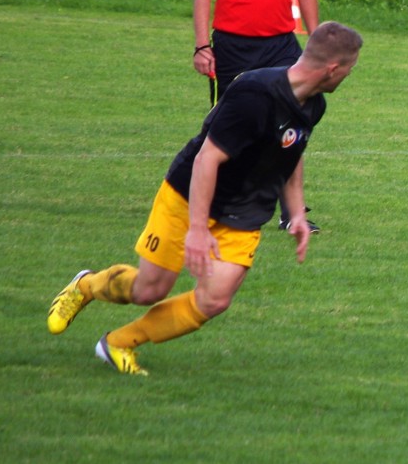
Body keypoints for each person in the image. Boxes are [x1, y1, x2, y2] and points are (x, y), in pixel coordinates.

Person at [46, 23, 363, 376]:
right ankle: (87, 285)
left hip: (244, 212)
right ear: (333, 68)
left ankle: (118, 342)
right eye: (351, 67)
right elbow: (207, 159)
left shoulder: (314, 105)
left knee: (214, 299)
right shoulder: (254, 95)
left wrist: (296, 211)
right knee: (150, 289)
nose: (351, 74)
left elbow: (290, 151)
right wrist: (197, 228)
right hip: (188, 195)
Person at [191, 0, 322, 232]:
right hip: (233, 47)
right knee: (225, 127)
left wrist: (315, 42)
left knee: (291, 126)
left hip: (281, 46)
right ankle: (210, 201)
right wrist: (203, 46)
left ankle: (291, 213)